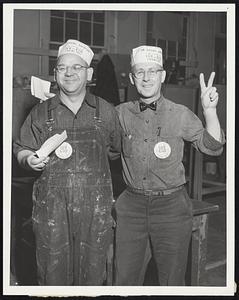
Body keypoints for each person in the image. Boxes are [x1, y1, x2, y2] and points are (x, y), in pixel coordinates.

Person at [114, 45, 225, 285]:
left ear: (162, 76)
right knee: (124, 281)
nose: (146, 77)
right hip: (131, 208)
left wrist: (210, 111)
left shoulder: (180, 113)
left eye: (152, 71)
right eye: (140, 72)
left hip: (171, 207)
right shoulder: (120, 114)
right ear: (132, 78)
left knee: (171, 281)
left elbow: (213, 147)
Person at [13, 39, 121, 286]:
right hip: (52, 210)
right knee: (52, 275)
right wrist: (28, 159)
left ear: (89, 73)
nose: (69, 73)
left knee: (93, 275)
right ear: (55, 73)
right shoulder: (40, 113)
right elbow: (21, 149)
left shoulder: (106, 111)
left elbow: (115, 151)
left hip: (95, 211)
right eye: (62, 68)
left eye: (77, 67)